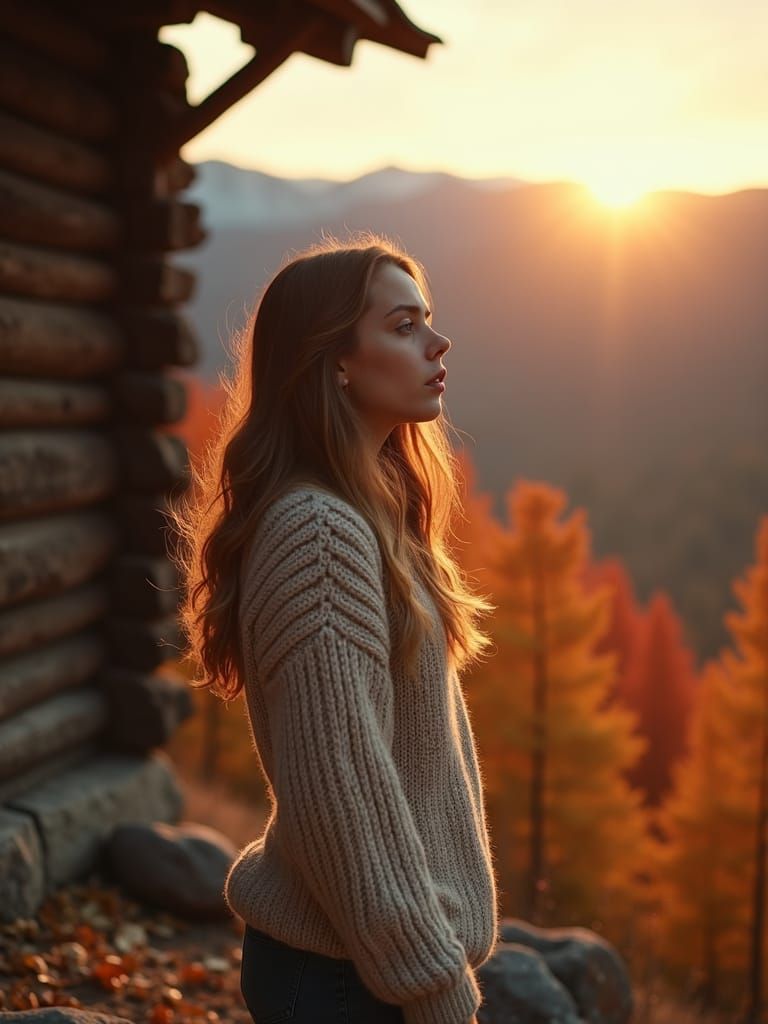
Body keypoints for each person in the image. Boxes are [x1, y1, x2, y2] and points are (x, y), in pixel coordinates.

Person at [169, 231, 500, 1024]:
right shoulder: (318, 534)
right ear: (335, 360)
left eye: (428, 319)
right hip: (348, 981)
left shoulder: (370, 517)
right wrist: (437, 990)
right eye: (402, 325)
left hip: (360, 967)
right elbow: (343, 801)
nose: (437, 340)